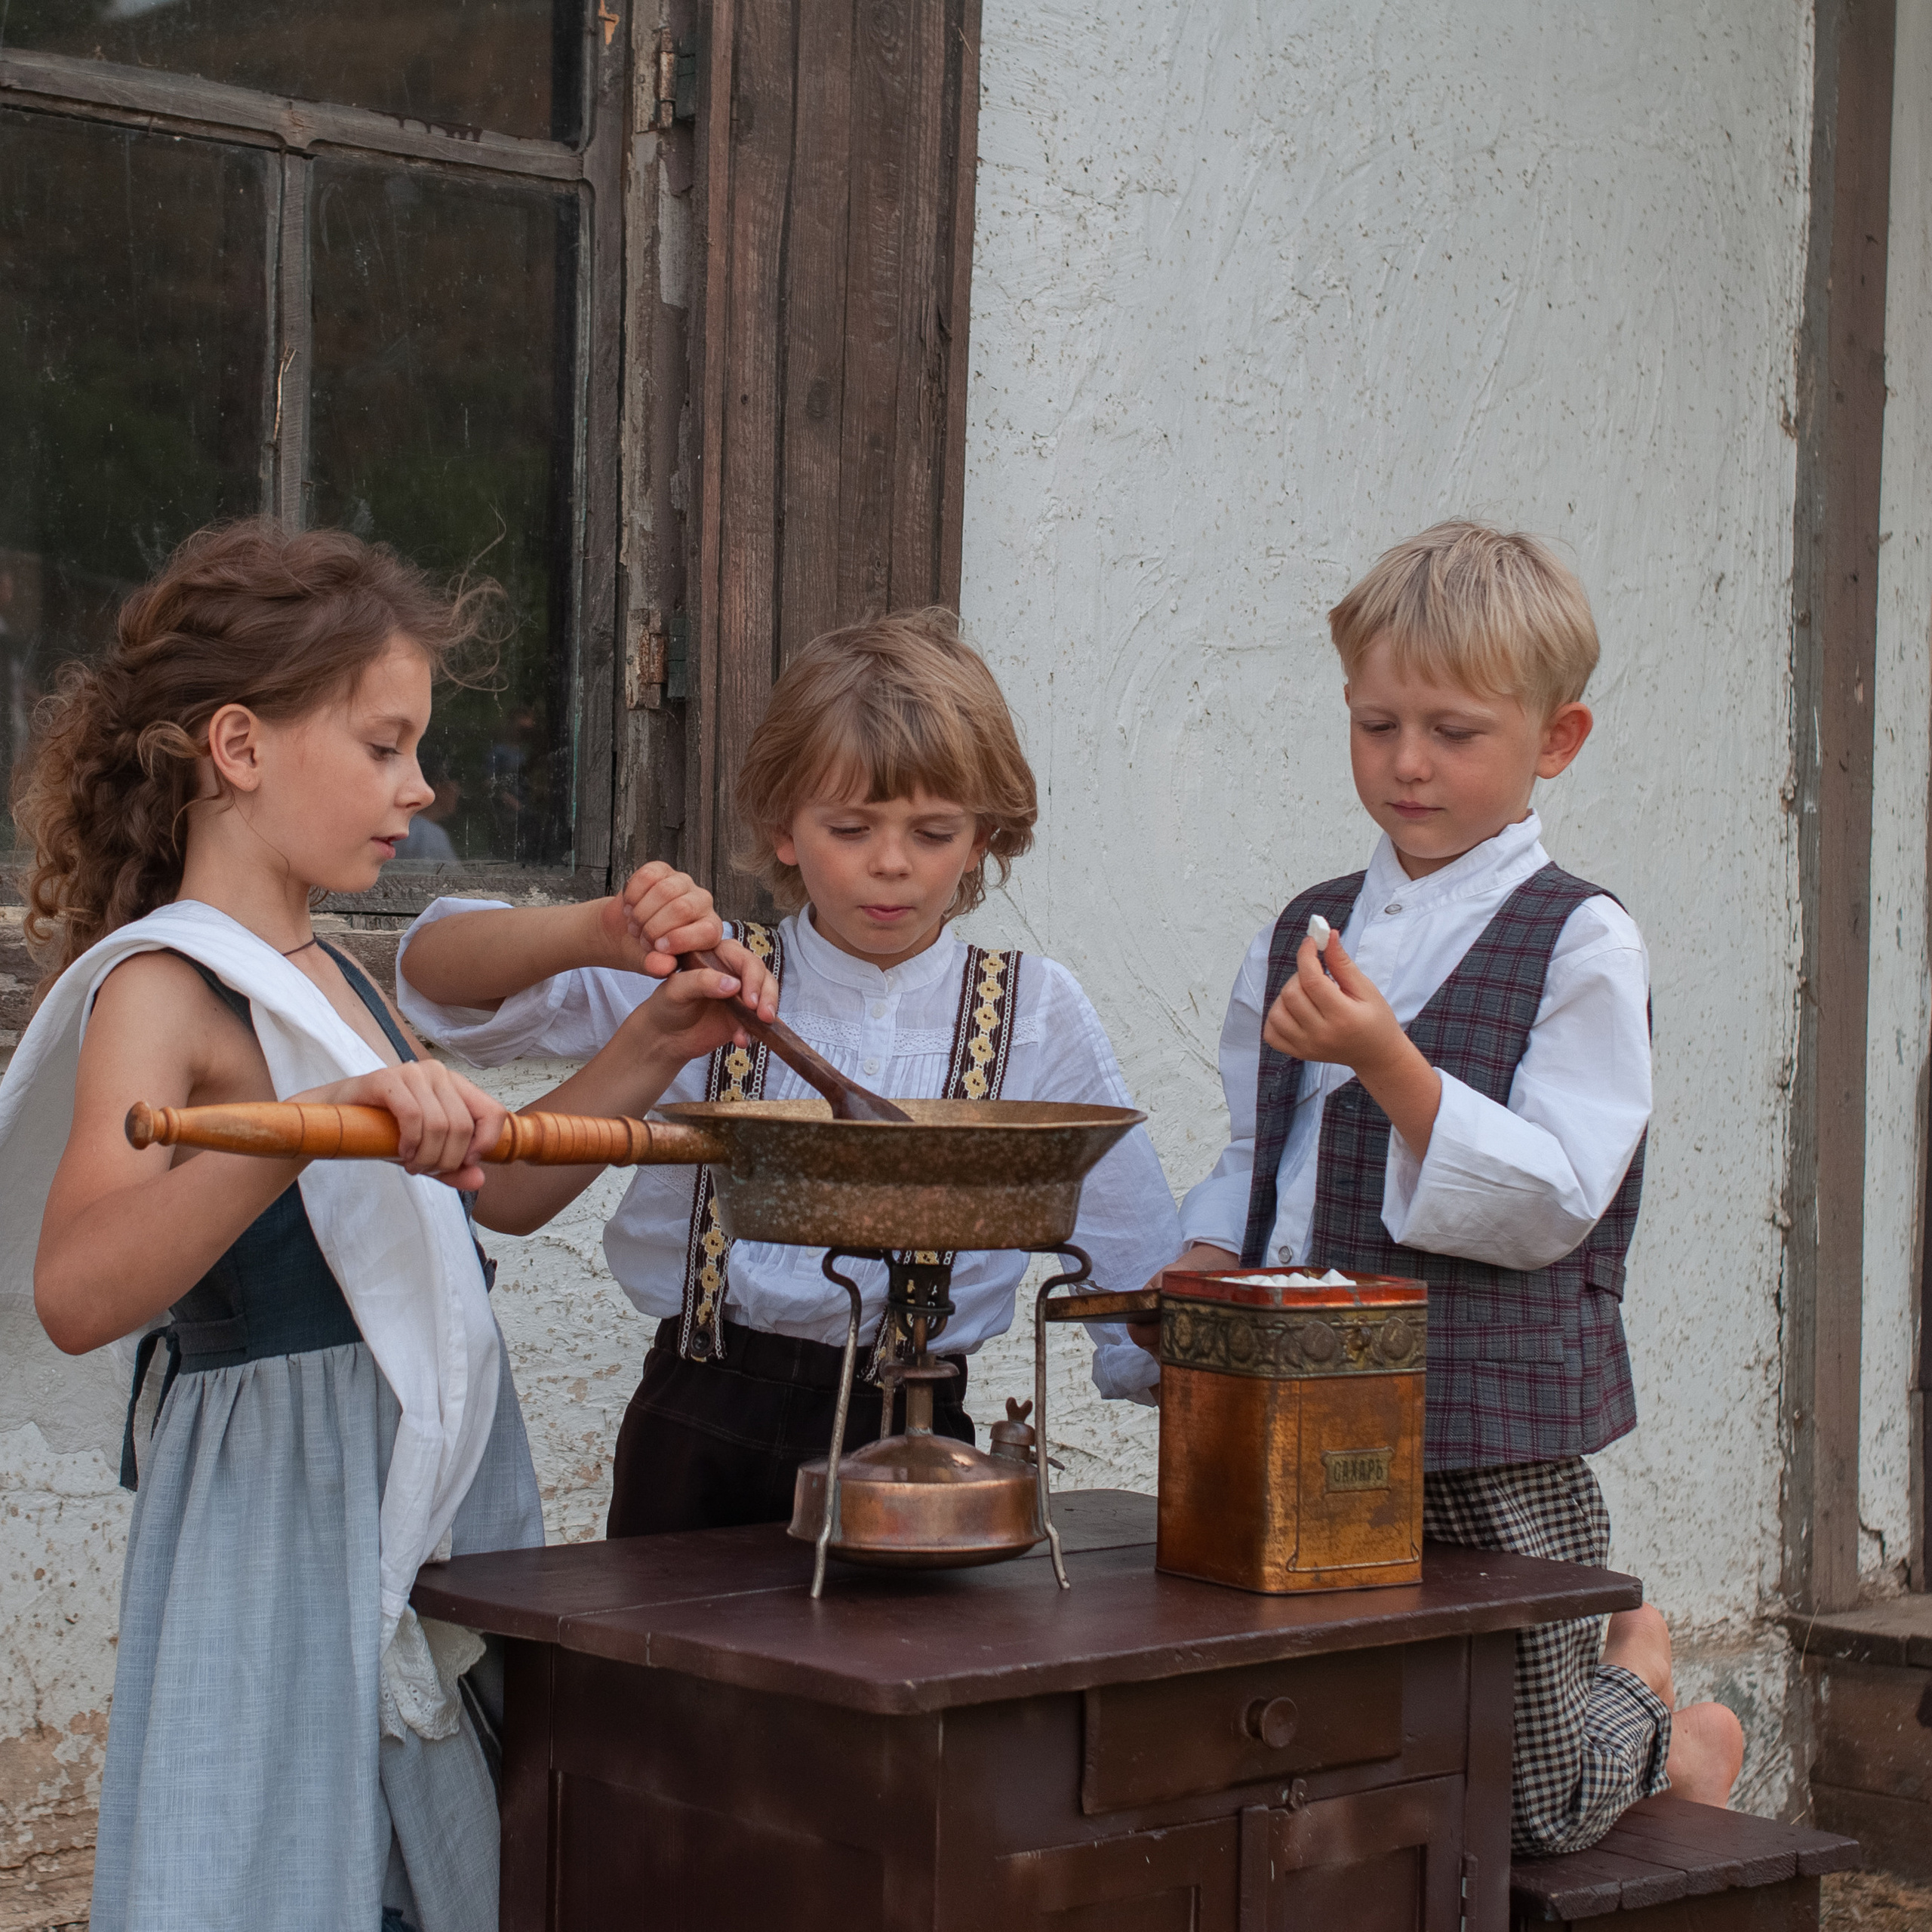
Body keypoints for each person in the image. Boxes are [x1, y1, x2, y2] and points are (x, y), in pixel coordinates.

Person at [0, 519, 771, 1932]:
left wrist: (661, 1038)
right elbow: (77, 1288)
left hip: (408, 1476)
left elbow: (501, 1194)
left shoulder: (331, 971)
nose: (418, 789)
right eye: (381, 745)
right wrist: (307, 1133)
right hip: (282, 1491)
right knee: (275, 1866)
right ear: (238, 746)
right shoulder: (168, 987)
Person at [1147, 521, 1743, 1858]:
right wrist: (1202, 1257)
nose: (1408, 763)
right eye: (1377, 724)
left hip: (1489, 1418)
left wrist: (1391, 1064)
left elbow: (1559, 1193)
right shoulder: (1311, 928)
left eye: (1454, 731)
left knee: (1530, 1797)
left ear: (1557, 739)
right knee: (1320, 1733)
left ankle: (1654, 1705)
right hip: (1297, 1412)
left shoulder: (1579, 937)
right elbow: (1264, 1152)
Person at [397, 607, 1182, 1537]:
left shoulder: (1036, 1013)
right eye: (849, 827)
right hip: (695, 1420)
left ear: (984, 838)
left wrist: (1182, 1354)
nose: (890, 865)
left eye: (933, 833)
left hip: (917, 1440)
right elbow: (429, 974)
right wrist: (603, 926)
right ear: (781, 826)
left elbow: (1136, 1271)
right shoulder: (705, 974)